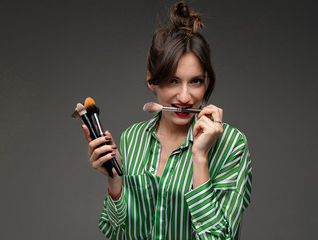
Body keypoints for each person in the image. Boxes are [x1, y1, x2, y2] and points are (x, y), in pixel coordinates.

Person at [82, 1, 252, 239]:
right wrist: (115, 180)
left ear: (207, 82)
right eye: (173, 81)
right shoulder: (133, 138)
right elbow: (117, 231)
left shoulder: (231, 145)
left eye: (195, 81)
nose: (184, 97)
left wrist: (200, 158)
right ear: (152, 81)